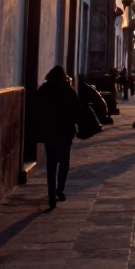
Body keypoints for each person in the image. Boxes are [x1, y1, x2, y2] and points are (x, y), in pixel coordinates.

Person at [36, 65, 81, 209]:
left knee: (51, 164)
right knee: (64, 162)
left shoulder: (43, 90)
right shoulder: (68, 91)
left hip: (49, 132)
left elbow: (36, 111)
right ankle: (59, 190)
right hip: (65, 132)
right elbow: (76, 111)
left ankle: (51, 196)